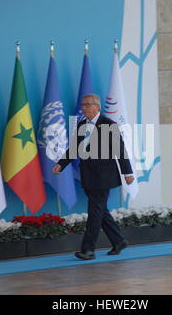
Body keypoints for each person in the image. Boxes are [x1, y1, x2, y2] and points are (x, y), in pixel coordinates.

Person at [52, 94, 134, 260]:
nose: (84, 108)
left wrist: (128, 172)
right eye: (83, 105)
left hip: (104, 177)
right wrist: (61, 164)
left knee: (95, 213)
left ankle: (88, 249)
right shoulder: (82, 124)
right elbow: (74, 148)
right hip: (88, 175)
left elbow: (120, 149)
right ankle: (118, 241)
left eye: (88, 105)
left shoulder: (109, 125)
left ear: (97, 107)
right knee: (100, 211)